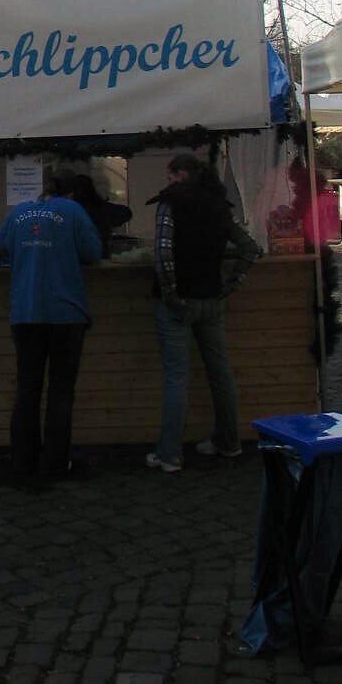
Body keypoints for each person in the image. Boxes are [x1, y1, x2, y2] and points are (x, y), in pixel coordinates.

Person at [146, 153, 261, 474]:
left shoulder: (170, 203)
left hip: (178, 301)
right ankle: (229, 441)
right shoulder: (219, 205)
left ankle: (169, 453)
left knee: (177, 377)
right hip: (211, 298)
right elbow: (251, 249)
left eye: (170, 177)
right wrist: (231, 284)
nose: (167, 183)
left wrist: (170, 293)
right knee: (220, 371)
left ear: (180, 175)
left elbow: (163, 252)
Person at [0, 174, 102, 480]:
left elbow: (3, 247)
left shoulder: (17, 213)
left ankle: (22, 461)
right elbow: (93, 253)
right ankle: (55, 463)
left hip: (26, 312)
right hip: (66, 313)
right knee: (60, 392)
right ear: (68, 192)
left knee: (27, 389)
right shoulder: (73, 212)